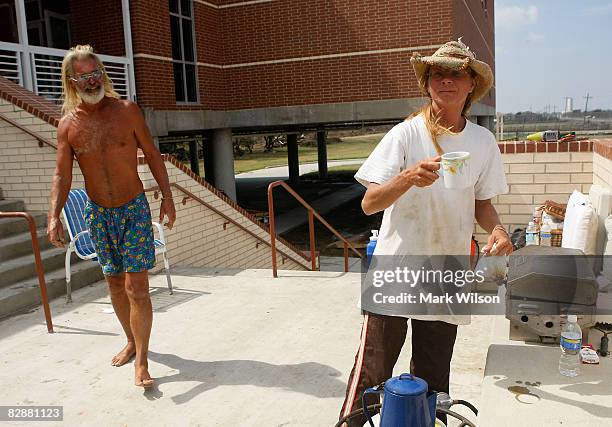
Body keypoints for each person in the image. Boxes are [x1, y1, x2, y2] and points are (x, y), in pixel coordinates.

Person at [338, 39, 513, 425]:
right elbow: (370, 203)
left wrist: (497, 229)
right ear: (427, 83)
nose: (445, 81)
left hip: (446, 270)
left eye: (456, 74)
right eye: (437, 74)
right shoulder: (405, 135)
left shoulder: (483, 142)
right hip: (395, 269)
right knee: (372, 374)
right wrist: (406, 178)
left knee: (434, 378)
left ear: (471, 85)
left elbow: (481, 203)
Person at [47, 45, 176, 388]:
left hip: (133, 209)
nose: (91, 81)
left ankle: (143, 363)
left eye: (95, 73)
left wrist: (167, 196)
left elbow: (152, 154)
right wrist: (53, 215)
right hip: (98, 214)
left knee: (138, 288)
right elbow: (62, 175)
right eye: (83, 76)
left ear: (102, 73)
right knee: (115, 284)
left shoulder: (127, 111)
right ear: (71, 81)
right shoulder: (67, 126)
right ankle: (132, 341)